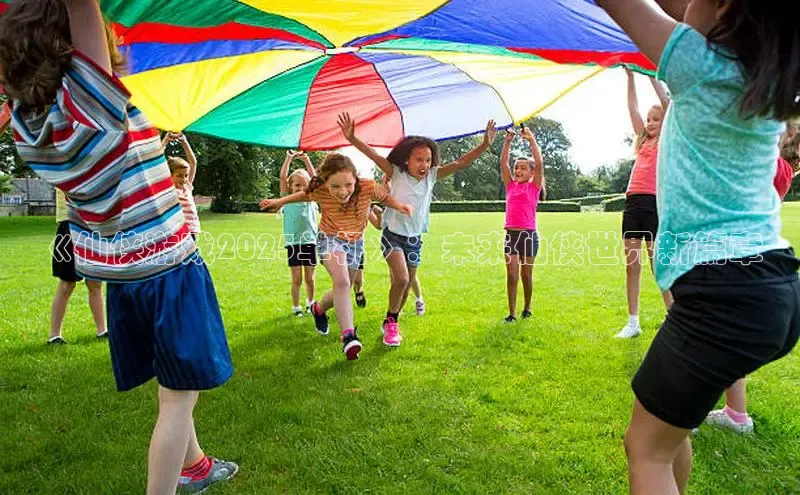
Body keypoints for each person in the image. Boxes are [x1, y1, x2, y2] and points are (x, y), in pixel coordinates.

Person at [0, 1, 237, 492]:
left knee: (170, 378)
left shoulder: (28, 126)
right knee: (178, 401)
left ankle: (195, 465)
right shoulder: (92, 107)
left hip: (121, 275)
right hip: (167, 268)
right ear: (73, 50)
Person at [594, 1, 799, 493]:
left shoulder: (698, 62)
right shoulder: (762, 80)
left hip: (723, 290)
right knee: (669, 427)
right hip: (774, 285)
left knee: (645, 450)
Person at [340, 112, 496, 345]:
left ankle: (390, 320)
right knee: (401, 279)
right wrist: (352, 138)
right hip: (392, 235)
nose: (424, 164)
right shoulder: (396, 173)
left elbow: (461, 162)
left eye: (428, 160)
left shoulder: (432, 176)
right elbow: (372, 155)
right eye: (419, 159)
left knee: (404, 287)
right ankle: (392, 322)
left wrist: (484, 145)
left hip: (414, 239)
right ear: (406, 161)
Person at [260, 153, 412, 359]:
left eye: (348, 185)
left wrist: (400, 206)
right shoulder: (320, 190)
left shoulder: (367, 186)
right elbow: (304, 194)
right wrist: (281, 201)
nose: (343, 192)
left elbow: (385, 197)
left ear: (355, 179)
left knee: (344, 287)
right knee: (341, 282)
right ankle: (349, 335)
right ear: (325, 183)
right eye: (335, 187)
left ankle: (319, 309)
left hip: (355, 243)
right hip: (330, 239)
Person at [705, 125, 800, 435]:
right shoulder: (781, 168)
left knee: (715, 332)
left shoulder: (775, 167)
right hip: (743, 250)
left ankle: (697, 410)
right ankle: (735, 413)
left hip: (740, 253)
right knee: (723, 334)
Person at [616, 68, 674, 339]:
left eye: (656, 119)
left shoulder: (667, 140)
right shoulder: (642, 142)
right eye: (649, 120)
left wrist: (651, 74)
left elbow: (667, 103)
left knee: (657, 264)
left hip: (653, 204)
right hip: (632, 205)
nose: (650, 123)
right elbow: (631, 107)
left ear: (665, 122)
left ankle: (673, 316)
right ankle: (633, 322)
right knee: (632, 265)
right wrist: (629, 76)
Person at [48, 189, 108, 344]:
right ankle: (55, 335)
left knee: (95, 283)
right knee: (67, 283)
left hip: (92, 227)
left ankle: (102, 330)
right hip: (69, 227)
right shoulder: (65, 172)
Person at [499, 127, 544, 323]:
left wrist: (531, 140)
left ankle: (527, 307)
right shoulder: (510, 186)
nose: (518, 171)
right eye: (517, 167)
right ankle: (511, 313)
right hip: (511, 235)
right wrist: (508, 141)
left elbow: (540, 162)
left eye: (523, 168)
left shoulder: (534, 187)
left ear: (532, 172)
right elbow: (503, 165)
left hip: (528, 236)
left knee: (526, 275)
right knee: (511, 274)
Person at [278, 150, 318, 316]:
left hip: (310, 242)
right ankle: (296, 307)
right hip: (294, 243)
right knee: (297, 278)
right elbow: (282, 178)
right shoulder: (286, 199)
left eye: (304, 185)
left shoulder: (312, 198)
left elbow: (316, 179)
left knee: (310, 278)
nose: (301, 188)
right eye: (297, 185)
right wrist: (288, 158)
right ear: (290, 186)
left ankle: (310, 303)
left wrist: (306, 159)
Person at [163, 132, 201, 238]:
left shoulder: (187, 187)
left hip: (191, 231)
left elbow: (193, 163)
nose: (184, 179)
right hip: (175, 231)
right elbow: (155, 162)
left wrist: (184, 142)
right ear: (169, 175)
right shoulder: (168, 188)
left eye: (186, 175)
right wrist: (165, 141)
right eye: (179, 175)